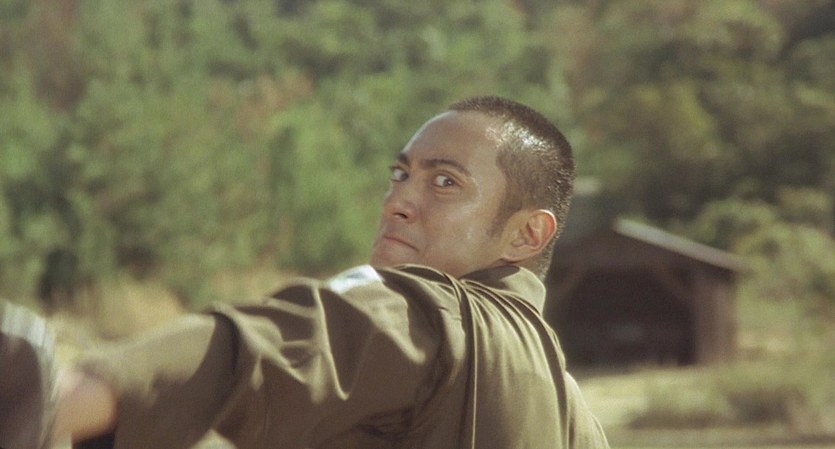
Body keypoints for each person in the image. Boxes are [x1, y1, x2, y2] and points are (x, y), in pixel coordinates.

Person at [3, 96, 609, 449]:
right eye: (401, 174)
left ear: (527, 234)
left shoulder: (432, 314)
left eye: (445, 182)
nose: (398, 199)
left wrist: (47, 399)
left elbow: (256, 348)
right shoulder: (573, 414)